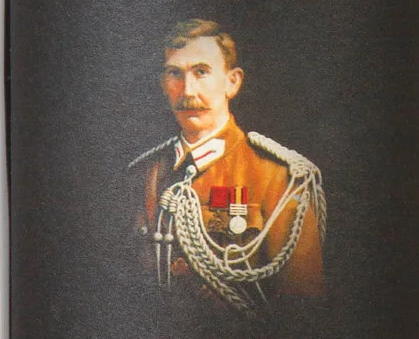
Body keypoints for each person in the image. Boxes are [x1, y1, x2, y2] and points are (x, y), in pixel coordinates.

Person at [128, 19, 325, 308]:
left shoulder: (277, 176)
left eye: (201, 72)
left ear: (232, 82)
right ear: (163, 85)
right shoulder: (144, 174)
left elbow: (301, 304)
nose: (188, 90)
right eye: (175, 73)